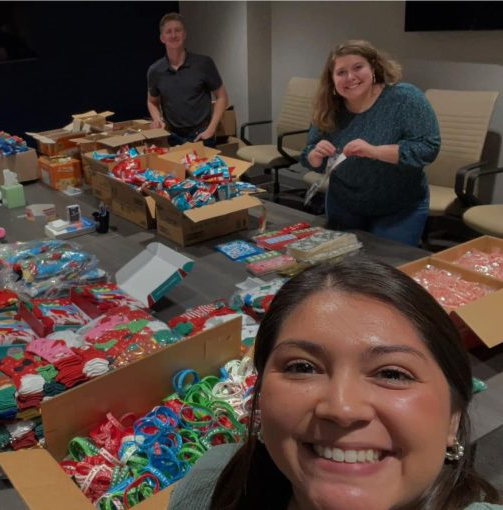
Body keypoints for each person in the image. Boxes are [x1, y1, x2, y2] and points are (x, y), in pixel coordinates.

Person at [169, 258, 501, 510]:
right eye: (302, 367)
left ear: (453, 416)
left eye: (392, 374)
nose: (341, 408)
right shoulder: (208, 484)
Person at [300, 40, 440, 247]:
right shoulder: (328, 107)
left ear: (373, 67)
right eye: (341, 72)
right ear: (332, 79)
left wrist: (375, 151)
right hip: (343, 203)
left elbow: (428, 148)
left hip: (398, 207)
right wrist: (314, 156)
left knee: (387, 270)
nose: (350, 77)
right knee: (345, 268)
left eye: (358, 67)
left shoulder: (405, 98)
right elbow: (309, 154)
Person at [147, 12, 229, 147]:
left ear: (184, 34)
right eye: (169, 31)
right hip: (173, 137)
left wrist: (211, 128)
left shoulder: (204, 63)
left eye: (178, 30)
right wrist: (158, 120)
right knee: (176, 169)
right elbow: (152, 101)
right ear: (162, 38)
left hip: (202, 135)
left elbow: (222, 97)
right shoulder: (155, 71)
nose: (173, 35)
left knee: (205, 169)